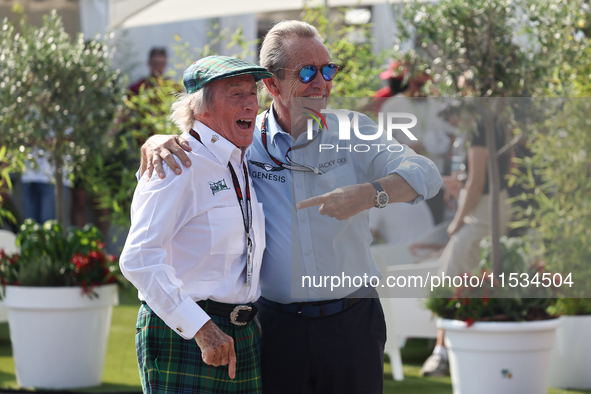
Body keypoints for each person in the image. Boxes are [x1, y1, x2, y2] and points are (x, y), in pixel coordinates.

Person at [139, 20, 442, 394]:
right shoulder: (244, 140)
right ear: (272, 85)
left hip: (352, 324)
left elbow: (426, 173)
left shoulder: (353, 131)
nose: (322, 82)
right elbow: (202, 141)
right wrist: (159, 140)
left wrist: (368, 194)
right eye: (307, 72)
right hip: (276, 327)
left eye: (328, 69)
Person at [119, 56, 273, 394]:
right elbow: (139, 258)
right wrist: (201, 329)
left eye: (253, 93)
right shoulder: (177, 162)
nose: (251, 103)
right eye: (235, 94)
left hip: (243, 333)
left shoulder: (243, 153)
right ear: (201, 108)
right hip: (189, 333)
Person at [419, 110, 512, 378]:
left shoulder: (480, 125)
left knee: (449, 281)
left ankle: (442, 354)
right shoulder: (497, 122)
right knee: (464, 281)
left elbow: (477, 180)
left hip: (481, 215)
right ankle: (447, 352)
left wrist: (456, 222)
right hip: (492, 209)